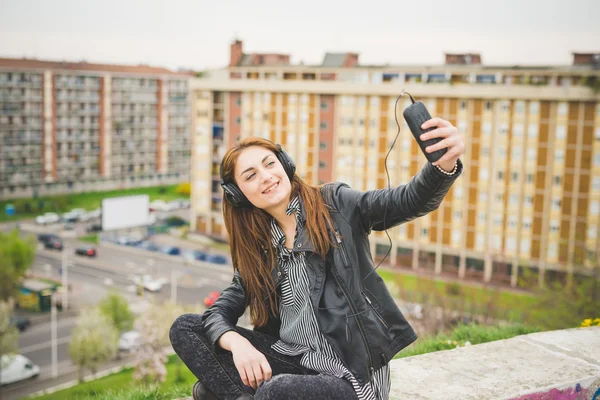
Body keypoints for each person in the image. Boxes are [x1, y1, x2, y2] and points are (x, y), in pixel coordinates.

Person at [170, 117, 465, 400]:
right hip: (291, 361)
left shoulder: (335, 205)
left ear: (285, 165)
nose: (266, 177)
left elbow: (406, 200)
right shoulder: (259, 250)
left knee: (270, 392)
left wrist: (442, 165)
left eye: (269, 164)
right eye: (250, 176)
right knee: (185, 327)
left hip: (348, 377)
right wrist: (236, 344)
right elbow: (218, 313)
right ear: (238, 194)